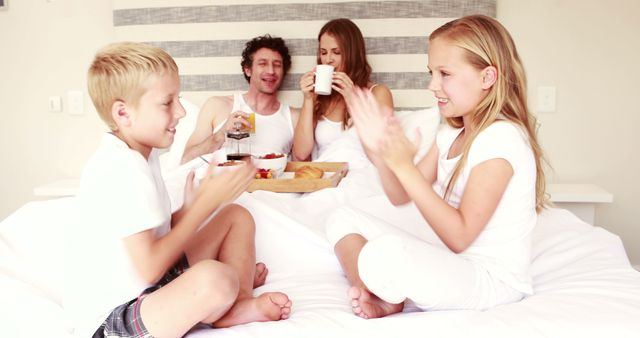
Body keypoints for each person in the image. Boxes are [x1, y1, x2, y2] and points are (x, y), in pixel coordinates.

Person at [326, 15, 549, 319]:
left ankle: (385, 286)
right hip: (451, 258)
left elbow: (460, 235)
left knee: (386, 253)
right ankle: (372, 290)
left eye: (445, 73)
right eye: (431, 72)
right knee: (342, 216)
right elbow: (400, 196)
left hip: (490, 279)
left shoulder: (502, 138)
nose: (433, 85)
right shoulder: (450, 133)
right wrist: (382, 153)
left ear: (487, 77)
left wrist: (403, 164)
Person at [65, 42, 291, 338]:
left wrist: (191, 207)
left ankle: (239, 302)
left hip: (149, 289)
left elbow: (158, 234)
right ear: (123, 113)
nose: (182, 111)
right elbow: (149, 266)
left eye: (179, 99)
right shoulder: (120, 167)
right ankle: (225, 298)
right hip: (113, 319)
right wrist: (201, 208)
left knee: (236, 215)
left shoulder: (144, 155)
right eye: (167, 102)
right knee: (216, 277)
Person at [181, 35, 299, 164]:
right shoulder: (217, 105)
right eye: (262, 63)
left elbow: (303, 166)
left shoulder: (293, 117)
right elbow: (186, 159)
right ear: (248, 70)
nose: (271, 71)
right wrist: (221, 134)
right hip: (222, 181)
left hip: (269, 182)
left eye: (277, 65)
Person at [292, 18, 394, 161]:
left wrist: (352, 101)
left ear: (353, 54)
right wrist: (308, 100)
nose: (328, 59)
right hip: (327, 176)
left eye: (336, 52)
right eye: (323, 52)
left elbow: (381, 154)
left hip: (362, 177)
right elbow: (301, 154)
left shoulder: (378, 93)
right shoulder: (320, 98)